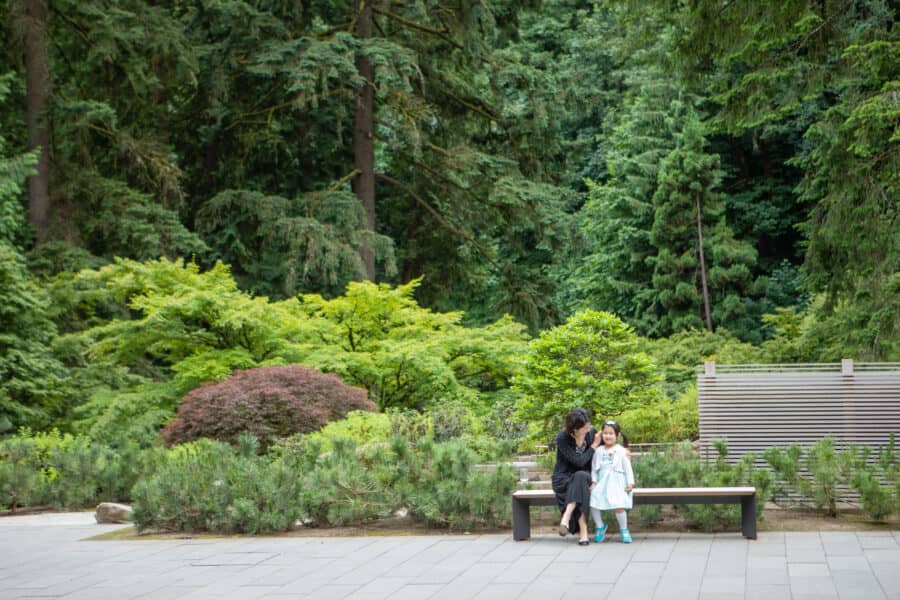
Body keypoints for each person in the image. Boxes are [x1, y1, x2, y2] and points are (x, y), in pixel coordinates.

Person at [552, 408, 601, 546]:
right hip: (564, 477)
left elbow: (609, 446)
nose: (588, 429)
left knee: (580, 477)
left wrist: (623, 451)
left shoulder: (592, 432)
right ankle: (583, 533)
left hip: (584, 476)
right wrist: (593, 447)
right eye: (584, 428)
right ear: (574, 429)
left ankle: (566, 518)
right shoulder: (563, 437)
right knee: (580, 485)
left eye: (588, 425)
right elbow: (578, 461)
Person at [589, 420, 635, 543]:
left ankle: (624, 529)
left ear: (617, 435)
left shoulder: (621, 451)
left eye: (611, 433)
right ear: (601, 434)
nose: (608, 436)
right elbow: (594, 468)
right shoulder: (598, 451)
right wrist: (594, 481)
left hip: (617, 482)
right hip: (602, 482)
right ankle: (600, 526)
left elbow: (627, 468)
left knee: (618, 506)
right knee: (593, 501)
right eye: (605, 433)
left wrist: (630, 483)